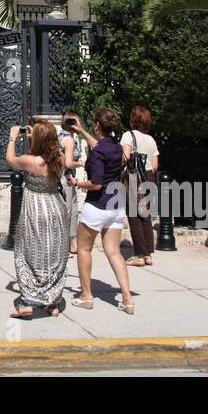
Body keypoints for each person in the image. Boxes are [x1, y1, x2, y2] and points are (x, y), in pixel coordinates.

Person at [66, 106, 135, 314]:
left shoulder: (97, 153)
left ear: (97, 125)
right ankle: (127, 298)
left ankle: (86, 295)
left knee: (84, 249)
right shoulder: (117, 147)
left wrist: (77, 183)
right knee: (114, 252)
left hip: (97, 204)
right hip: (116, 204)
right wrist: (82, 132)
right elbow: (101, 146)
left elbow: (95, 183)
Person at [5, 120, 72, 318]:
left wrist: (12, 137)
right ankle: (52, 301)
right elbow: (49, 151)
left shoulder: (30, 161)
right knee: (54, 254)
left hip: (35, 208)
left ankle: (28, 301)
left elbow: (10, 159)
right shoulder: (58, 158)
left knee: (30, 253)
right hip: (56, 208)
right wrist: (38, 137)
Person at [121, 105, 160, 267]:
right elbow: (156, 164)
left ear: (133, 120)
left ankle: (139, 254)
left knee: (134, 216)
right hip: (149, 177)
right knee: (146, 216)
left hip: (133, 177)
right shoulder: (151, 140)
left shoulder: (128, 136)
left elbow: (126, 157)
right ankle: (148, 253)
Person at [60, 110, 87, 255]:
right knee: (68, 211)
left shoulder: (66, 137)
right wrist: (82, 163)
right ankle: (65, 243)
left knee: (74, 211)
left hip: (69, 179)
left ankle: (72, 242)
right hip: (65, 179)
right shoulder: (69, 141)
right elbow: (69, 163)